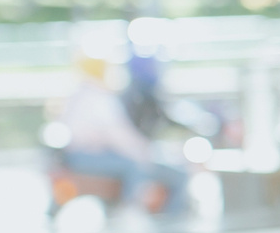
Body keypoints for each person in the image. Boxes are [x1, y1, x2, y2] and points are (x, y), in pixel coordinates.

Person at [58, 52, 188, 216]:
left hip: (77, 156)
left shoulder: (78, 96)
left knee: (134, 164)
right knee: (134, 166)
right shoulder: (99, 97)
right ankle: (132, 211)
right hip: (87, 156)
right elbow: (118, 135)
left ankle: (127, 210)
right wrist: (142, 152)